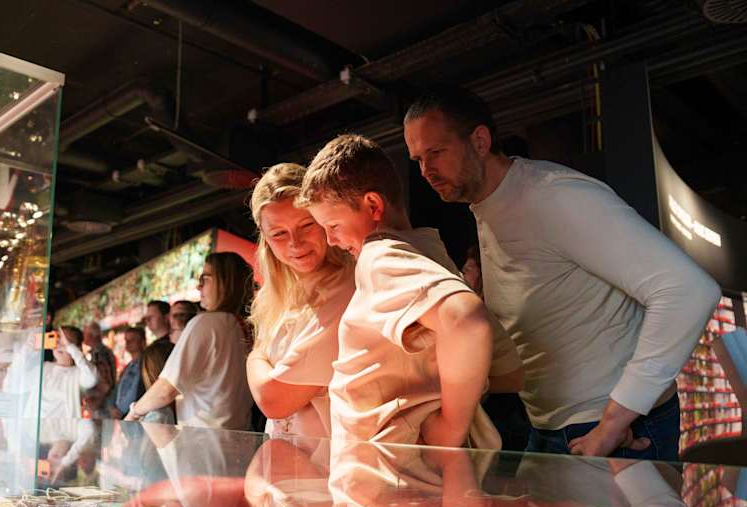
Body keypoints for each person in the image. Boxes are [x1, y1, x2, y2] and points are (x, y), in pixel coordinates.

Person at [403, 84, 720, 459]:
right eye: (417, 159)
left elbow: (688, 290)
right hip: (552, 426)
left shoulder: (552, 195)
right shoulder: (488, 208)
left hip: (612, 431)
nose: (426, 171)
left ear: (480, 141)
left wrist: (614, 422)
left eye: (436, 152)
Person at [298, 134, 522, 448]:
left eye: (333, 226)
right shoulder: (433, 256)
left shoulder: (379, 256)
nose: (331, 240)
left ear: (373, 205)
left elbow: (467, 321)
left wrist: (450, 427)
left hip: (389, 468)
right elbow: (509, 372)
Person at [245, 163, 355, 438]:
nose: (295, 242)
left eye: (306, 225)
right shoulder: (276, 296)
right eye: (279, 233)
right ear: (266, 240)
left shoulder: (348, 288)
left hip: (328, 459)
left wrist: (255, 357)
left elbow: (274, 400)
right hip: (286, 457)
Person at [126, 253, 255, 430]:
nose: (198, 286)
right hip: (239, 437)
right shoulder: (245, 327)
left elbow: (165, 390)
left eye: (204, 279)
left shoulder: (207, 323)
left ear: (225, 282)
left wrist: (133, 413)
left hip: (203, 439)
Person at [465, 243, 532, 452]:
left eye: (469, 268)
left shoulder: (485, 316)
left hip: (503, 418)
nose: (463, 272)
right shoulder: (480, 312)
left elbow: (512, 380)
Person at [25, 326, 98, 424]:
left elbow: (91, 377)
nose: (60, 345)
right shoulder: (44, 367)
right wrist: (27, 351)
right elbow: (16, 382)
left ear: (76, 348)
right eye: (58, 339)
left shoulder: (77, 374)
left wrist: (70, 348)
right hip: (33, 428)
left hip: (61, 431)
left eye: (66, 342)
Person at [106, 326, 147, 419]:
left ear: (142, 342)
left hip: (130, 413)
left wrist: (120, 411)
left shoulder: (144, 364)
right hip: (122, 412)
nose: (128, 343)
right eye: (126, 340)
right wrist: (111, 407)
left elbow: (135, 390)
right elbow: (117, 388)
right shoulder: (129, 365)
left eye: (132, 340)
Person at [84, 320, 117, 415]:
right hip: (102, 405)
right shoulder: (99, 352)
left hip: (102, 407)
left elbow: (106, 383)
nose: (83, 336)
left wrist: (95, 402)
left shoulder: (100, 353)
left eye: (85, 333)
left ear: (92, 336)